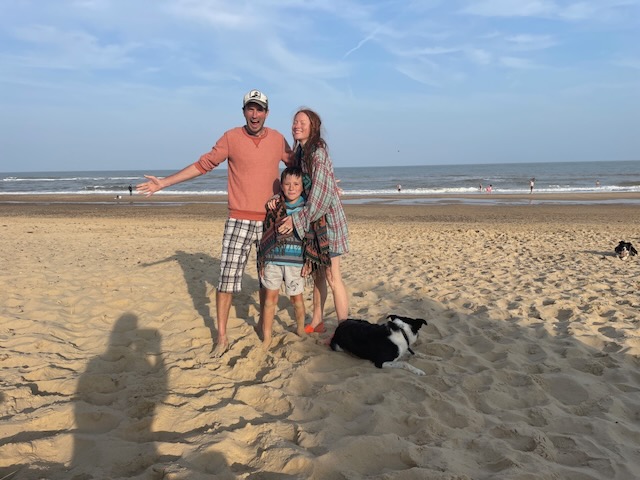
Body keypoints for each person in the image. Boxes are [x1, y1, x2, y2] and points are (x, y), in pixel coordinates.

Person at [137, 89, 293, 357]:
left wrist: (325, 183)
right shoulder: (231, 137)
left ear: (267, 113)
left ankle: (262, 326)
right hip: (238, 220)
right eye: (250, 109)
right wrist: (164, 183)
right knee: (227, 281)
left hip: (270, 221)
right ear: (244, 112)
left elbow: (298, 169)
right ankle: (221, 337)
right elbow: (203, 165)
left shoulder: (278, 139)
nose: (255, 114)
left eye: (259, 109)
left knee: (268, 281)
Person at [276, 108, 349, 333]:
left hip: (328, 222)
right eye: (294, 122)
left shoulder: (317, 152)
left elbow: (320, 196)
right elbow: (297, 183)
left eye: (302, 122)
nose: (296, 125)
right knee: (318, 274)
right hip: (313, 224)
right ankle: (317, 320)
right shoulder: (300, 152)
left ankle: (345, 330)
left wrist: (296, 219)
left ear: (313, 127)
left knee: (332, 277)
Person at [257, 167, 308, 350]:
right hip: (273, 260)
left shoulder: (307, 209)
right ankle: (267, 337)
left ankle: (300, 329)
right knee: (270, 300)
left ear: (302, 186)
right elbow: (266, 235)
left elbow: (311, 240)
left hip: (296, 263)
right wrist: (263, 261)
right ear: (281, 186)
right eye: (287, 184)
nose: (291, 188)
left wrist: (309, 262)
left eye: (296, 184)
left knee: (297, 300)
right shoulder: (275, 206)